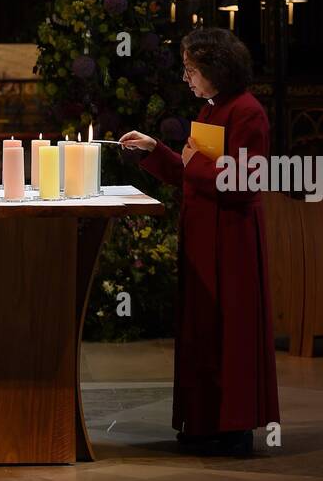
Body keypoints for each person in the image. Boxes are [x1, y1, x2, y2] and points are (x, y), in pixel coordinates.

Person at [120, 27, 280, 457]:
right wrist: (155, 151)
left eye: (191, 70)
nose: (186, 78)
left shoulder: (247, 113)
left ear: (216, 69)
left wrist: (193, 165)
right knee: (203, 328)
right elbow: (191, 171)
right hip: (203, 233)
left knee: (230, 329)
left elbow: (246, 181)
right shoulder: (212, 110)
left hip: (231, 239)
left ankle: (235, 427)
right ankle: (205, 421)